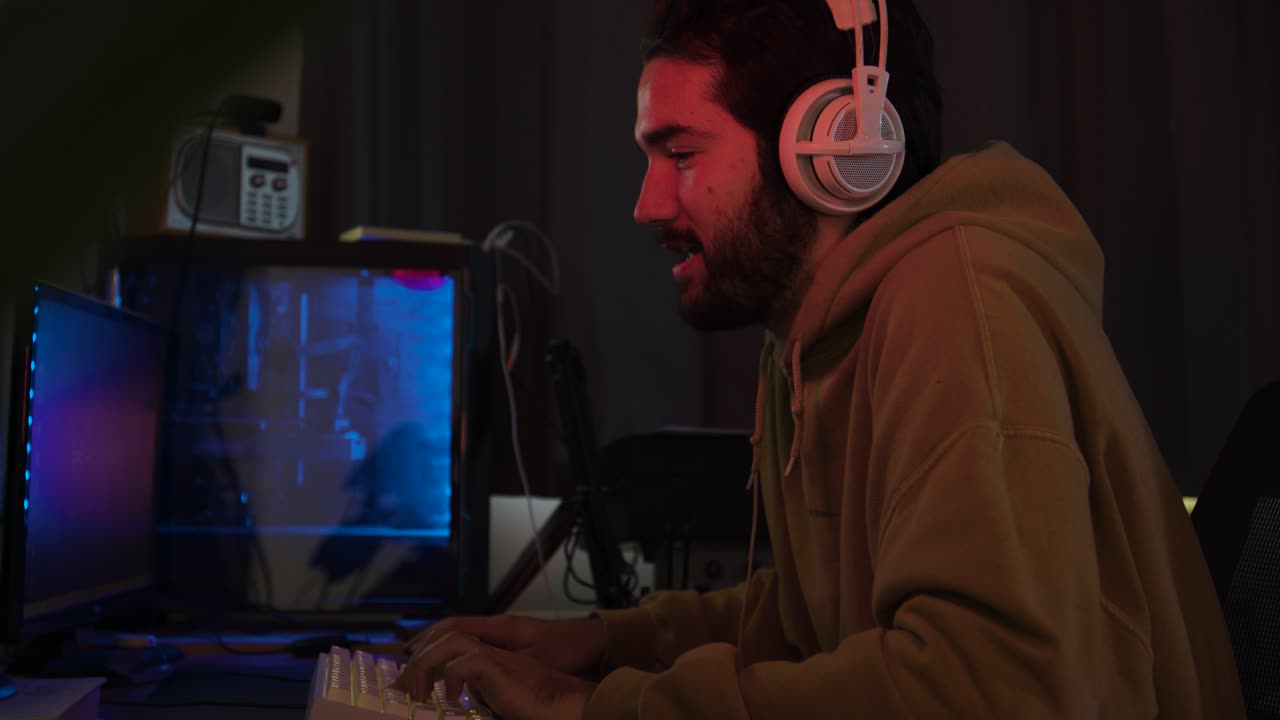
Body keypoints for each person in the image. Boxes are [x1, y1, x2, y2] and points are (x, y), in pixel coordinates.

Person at [391, 0, 1246, 717]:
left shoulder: (957, 303)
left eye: (682, 154)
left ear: (837, 146)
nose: (649, 205)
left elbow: (992, 685)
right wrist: (599, 644)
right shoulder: (813, 330)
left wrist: (595, 708)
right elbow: (814, 621)